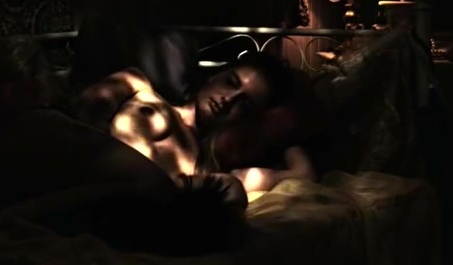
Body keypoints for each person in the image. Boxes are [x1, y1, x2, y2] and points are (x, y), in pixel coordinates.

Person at [75, 51, 317, 194]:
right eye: (231, 82)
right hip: (78, 164)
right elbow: (88, 108)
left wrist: (281, 131)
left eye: (244, 104)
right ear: (214, 75)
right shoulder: (138, 84)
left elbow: (303, 174)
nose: (228, 99)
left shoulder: (207, 172)